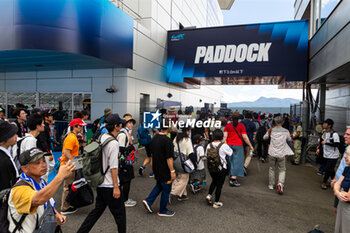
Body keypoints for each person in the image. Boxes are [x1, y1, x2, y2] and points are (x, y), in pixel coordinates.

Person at [77, 114, 126, 233]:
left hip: (99, 182)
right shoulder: (113, 143)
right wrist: (116, 187)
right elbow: (113, 167)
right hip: (110, 185)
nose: (121, 125)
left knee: (96, 212)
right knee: (120, 217)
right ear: (116, 126)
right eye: (120, 124)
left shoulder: (102, 137)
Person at [7, 148, 75, 233]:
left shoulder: (40, 181)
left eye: (44, 161)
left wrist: (56, 214)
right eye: (37, 163)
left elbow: (47, 199)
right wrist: (60, 177)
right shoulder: (19, 189)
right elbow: (38, 199)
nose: (43, 165)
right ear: (24, 168)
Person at [142, 119, 176, 217]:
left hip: (156, 167)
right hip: (165, 169)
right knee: (166, 189)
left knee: (159, 185)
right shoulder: (168, 141)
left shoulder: (155, 138)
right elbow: (169, 158)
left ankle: (148, 201)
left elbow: (152, 155)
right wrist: (172, 171)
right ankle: (162, 210)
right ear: (169, 127)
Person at [60, 118, 87, 215]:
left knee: (70, 185)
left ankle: (67, 205)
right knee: (67, 186)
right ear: (75, 126)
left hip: (69, 164)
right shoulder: (71, 138)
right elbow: (66, 152)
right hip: (68, 165)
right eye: (80, 126)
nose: (81, 128)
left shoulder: (73, 136)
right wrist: (74, 162)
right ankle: (64, 207)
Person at [264, 116, 294, 195]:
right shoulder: (286, 131)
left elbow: (264, 137)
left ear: (275, 122)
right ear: (283, 122)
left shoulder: (271, 130)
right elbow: (289, 139)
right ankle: (280, 183)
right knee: (282, 169)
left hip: (272, 152)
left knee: (272, 168)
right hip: (282, 153)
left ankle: (271, 184)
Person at [224, 112, 254, 187]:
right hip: (238, 145)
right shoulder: (241, 126)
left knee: (230, 161)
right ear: (239, 118)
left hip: (229, 145)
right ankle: (233, 179)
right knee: (237, 162)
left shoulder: (227, 126)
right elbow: (245, 137)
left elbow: (224, 137)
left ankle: (231, 175)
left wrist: (225, 145)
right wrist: (250, 145)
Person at [206, 129, 233, 208]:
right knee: (219, 185)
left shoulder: (209, 145)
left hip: (211, 167)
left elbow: (206, 155)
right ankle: (216, 202)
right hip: (221, 168)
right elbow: (231, 153)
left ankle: (209, 195)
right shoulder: (224, 145)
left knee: (214, 181)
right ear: (222, 137)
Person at [117, 114, 137, 207]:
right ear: (125, 123)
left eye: (132, 122)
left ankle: (121, 198)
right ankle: (124, 200)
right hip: (124, 162)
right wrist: (130, 148)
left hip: (123, 161)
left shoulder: (125, 133)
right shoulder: (122, 134)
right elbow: (120, 149)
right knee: (126, 180)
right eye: (129, 122)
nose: (131, 124)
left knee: (123, 180)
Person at [170, 127, 194, 201]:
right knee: (183, 179)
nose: (189, 133)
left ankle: (183, 195)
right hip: (182, 162)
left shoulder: (176, 138)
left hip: (175, 160)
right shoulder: (187, 140)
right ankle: (171, 193)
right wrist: (194, 164)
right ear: (186, 131)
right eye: (189, 131)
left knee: (179, 177)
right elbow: (190, 153)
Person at [331, 126, 350, 213]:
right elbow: (342, 167)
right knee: (337, 210)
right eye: (345, 134)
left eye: (348, 134)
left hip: (344, 188)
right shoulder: (347, 149)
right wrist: (335, 179)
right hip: (339, 185)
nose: (344, 136)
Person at [320, 119, 340, 190]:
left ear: (329, 125)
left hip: (333, 155)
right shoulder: (324, 133)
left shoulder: (334, 134)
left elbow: (337, 144)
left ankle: (324, 183)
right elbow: (322, 141)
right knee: (331, 170)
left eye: (325, 124)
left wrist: (326, 143)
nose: (323, 125)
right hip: (326, 154)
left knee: (327, 169)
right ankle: (335, 183)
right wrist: (318, 148)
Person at [334, 145, 350, 233]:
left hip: (348, 209)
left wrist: (337, 192)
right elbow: (337, 183)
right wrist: (338, 192)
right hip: (342, 205)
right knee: (338, 229)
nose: (344, 156)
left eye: (347, 154)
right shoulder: (347, 169)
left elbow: (348, 197)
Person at [0, 120, 19, 191]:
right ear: (2, 141)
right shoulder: (4, 161)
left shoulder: (5, 155)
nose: (16, 136)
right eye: (12, 134)